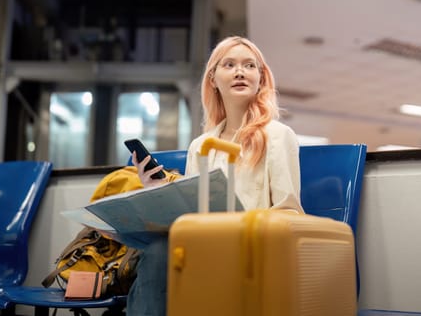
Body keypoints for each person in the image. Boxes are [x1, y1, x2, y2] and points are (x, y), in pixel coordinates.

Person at [126, 36, 303, 315]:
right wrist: (155, 190)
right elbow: (192, 213)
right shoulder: (201, 145)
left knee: (160, 256)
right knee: (159, 250)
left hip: (251, 251)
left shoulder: (278, 136)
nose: (240, 72)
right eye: (229, 65)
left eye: (249, 66)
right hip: (207, 249)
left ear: (261, 79)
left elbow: (290, 214)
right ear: (213, 79)